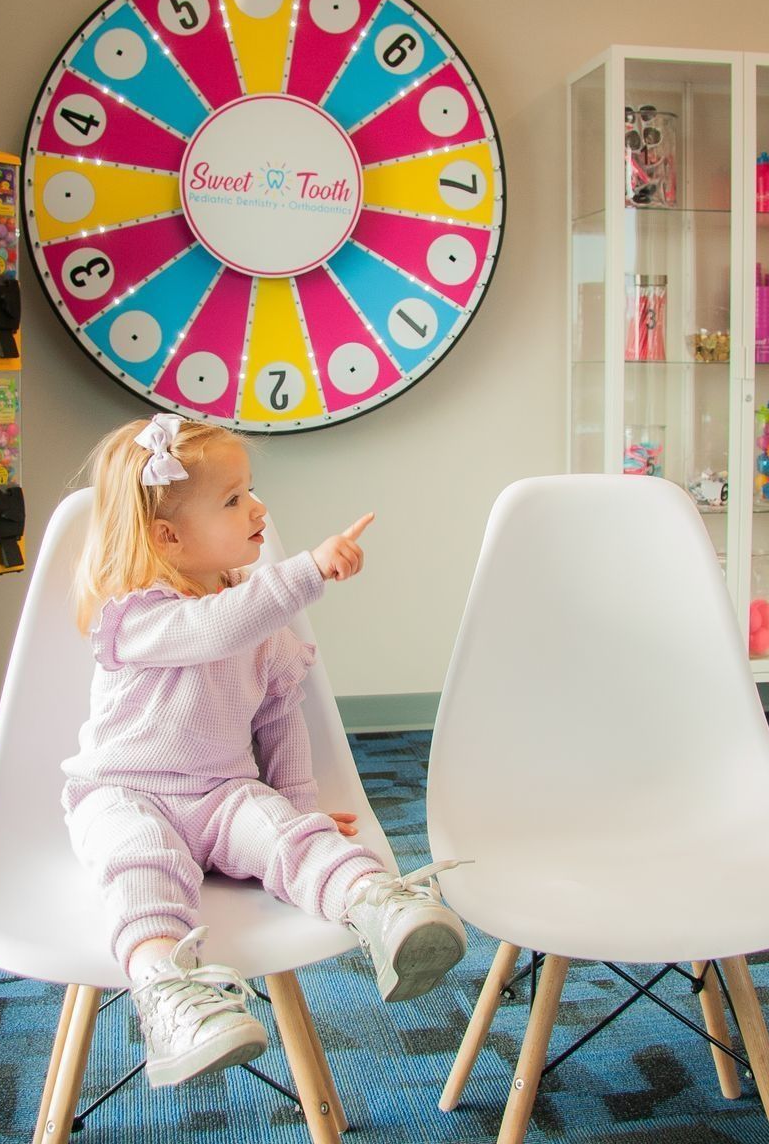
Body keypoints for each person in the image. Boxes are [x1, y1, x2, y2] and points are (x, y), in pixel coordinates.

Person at [64, 414, 467, 1088]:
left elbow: (282, 715)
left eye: (250, 491)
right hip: (123, 793)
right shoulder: (138, 615)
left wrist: (297, 809)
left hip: (221, 793)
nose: (259, 509)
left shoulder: (254, 616)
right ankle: (171, 998)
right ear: (168, 535)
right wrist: (306, 571)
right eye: (234, 500)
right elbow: (215, 628)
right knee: (141, 863)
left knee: (292, 837)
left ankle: (378, 907)